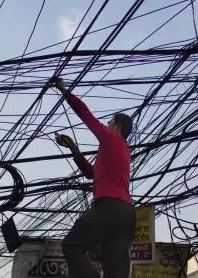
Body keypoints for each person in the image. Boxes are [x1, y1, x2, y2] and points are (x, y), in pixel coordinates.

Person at [51, 77, 135, 278]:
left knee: (71, 245)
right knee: (114, 266)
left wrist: (64, 91)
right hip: (126, 213)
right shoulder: (122, 150)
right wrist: (73, 148)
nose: (106, 124)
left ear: (117, 125)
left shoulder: (111, 138)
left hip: (108, 207)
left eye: (110, 121)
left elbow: (85, 115)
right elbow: (90, 173)